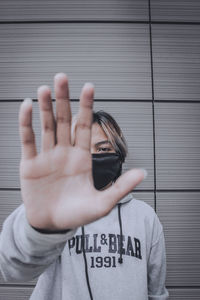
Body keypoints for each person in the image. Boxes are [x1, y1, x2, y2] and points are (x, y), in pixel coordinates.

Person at [0, 73, 169, 300]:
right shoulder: (56, 209)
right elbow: (10, 269)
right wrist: (40, 231)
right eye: (82, 151)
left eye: (102, 149)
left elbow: (156, 293)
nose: (92, 158)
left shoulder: (146, 218)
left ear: (119, 155)